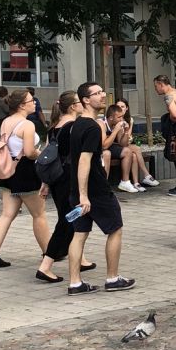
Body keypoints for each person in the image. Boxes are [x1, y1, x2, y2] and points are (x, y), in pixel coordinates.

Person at [65, 82, 135, 295]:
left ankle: (75, 283)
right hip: (94, 189)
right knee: (115, 229)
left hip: (77, 188)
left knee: (79, 233)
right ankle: (112, 278)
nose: (103, 95)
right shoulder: (92, 127)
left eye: (102, 91)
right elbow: (84, 160)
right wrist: (84, 196)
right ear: (86, 100)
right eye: (96, 93)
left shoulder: (76, 124)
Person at [0, 89, 51, 268]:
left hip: (9, 170)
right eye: (31, 100)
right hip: (26, 172)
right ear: (22, 105)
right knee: (39, 215)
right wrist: (41, 153)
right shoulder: (27, 125)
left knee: (6, 214)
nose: (34, 102)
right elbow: (29, 152)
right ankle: (50, 252)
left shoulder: (6, 122)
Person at [35, 91, 96, 282]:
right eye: (79, 102)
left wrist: (45, 183)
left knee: (71, 219)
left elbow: (48, 156)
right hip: (69, 179)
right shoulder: (73, 127)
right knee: (68, 220)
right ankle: (46, 264)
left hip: (56, 179)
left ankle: (80, 258)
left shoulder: (54, 128)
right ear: (72, 107)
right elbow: (79, 157)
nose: (82, 105)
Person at [154, 75, 176, 195]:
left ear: (161, 84)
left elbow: (174, 115)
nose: (155, 89)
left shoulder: (169, 96)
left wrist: (168, 122)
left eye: (156, 86)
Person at [117, 98, 159, 188]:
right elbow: (120, 140)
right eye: (118, 106)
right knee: (137, 148)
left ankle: (136, 183)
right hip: (117, 145)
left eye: (122, 106)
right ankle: (146, 175)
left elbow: (129, 136)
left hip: (126, 144)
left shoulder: (129, 120)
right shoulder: (116, 120)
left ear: (127, 108)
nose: (120, 108)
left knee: (134, 156)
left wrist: (129, 134)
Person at [102, 104, 139, 192]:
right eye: (119, 117)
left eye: (122, 117)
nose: (122, 119)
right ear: (111, 117)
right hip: (100, 148)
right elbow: (104, 146)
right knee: (107, 153)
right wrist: (115, 130)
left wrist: (126, 131)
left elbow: (122, 144)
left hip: (111, 147)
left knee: (127, 151)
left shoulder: (117, 124)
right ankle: (104, 186)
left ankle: (125, 182)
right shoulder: (102, 124)